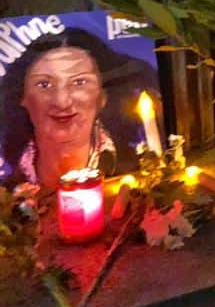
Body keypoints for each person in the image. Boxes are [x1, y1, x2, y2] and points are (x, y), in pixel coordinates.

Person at [0, 29, 157, 189]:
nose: (62, 102)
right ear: (23, 97)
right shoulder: (6, 194)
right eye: (45, 84)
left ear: (102, 96)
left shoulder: (139, 177)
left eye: (79, 82)